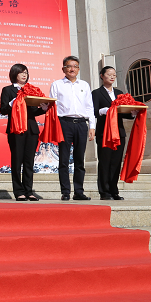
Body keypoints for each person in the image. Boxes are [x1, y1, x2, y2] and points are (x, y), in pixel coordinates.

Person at [49, 55, 96, 201]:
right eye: (69, 66)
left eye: (75, 66)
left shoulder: (84, 85)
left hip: (81, 124)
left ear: (78, 69)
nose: (72, 69)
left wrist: (92, 126)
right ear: (63, 69)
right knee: (63, 159)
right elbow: (53, 107)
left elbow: (89, 107)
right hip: (64, 123)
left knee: (79, 159)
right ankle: (65, 192)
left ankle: (79, 191)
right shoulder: (57, 84)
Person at [0, 64, 47, 201]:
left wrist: (43, 109)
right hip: (16, 129)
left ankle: (28, 191)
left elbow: (33, 111)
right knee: (17, 160)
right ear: (14, 74)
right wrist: (13, 102)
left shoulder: (31, 89)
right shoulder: (8, 90)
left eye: (26, 72)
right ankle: (18, 191)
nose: (24, 75)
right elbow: (3, 110)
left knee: (29, 161)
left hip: (31, 129)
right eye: (21, 72)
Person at [93, 66, 135, 201]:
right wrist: (102, 111)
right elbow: (93, 111)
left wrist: (132, 113)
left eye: (114, 74)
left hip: (119, 132)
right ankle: (104, 192)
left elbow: (123, 112)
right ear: (102, 76)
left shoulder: (119, 93)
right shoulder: (96, 93)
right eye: (109, 74)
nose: (112, 77)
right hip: (104, 133)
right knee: (105, 162)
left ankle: (114, 191)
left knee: (116, 163)